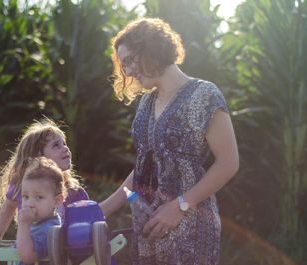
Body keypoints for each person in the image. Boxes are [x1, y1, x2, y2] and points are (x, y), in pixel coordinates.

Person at [99, 18, 239, 265]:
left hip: (191, 229)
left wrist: (181, 206)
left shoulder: (205, 95)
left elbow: (228, 162)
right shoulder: (146, 103)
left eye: (130, 60)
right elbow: (145, 165)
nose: (128, 71)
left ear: (151, 49)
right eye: (124, 66)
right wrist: (102, 209)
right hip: (148, 228)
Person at [0, 117, 89, 247]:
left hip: (62, 255)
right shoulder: (21, 187)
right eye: (56, 145)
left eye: (64, 143)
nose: (65, 148)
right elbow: (9, 205)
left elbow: (87, 223)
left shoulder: (74, 191)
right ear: (39, 157)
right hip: (30, 254)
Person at [16, 157, 66, 265]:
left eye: (39, 197)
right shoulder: (39, 225)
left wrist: (23, 225)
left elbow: (28, 257)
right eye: (26, 196)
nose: (29, 203)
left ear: (57, 201)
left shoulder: (50, 230)